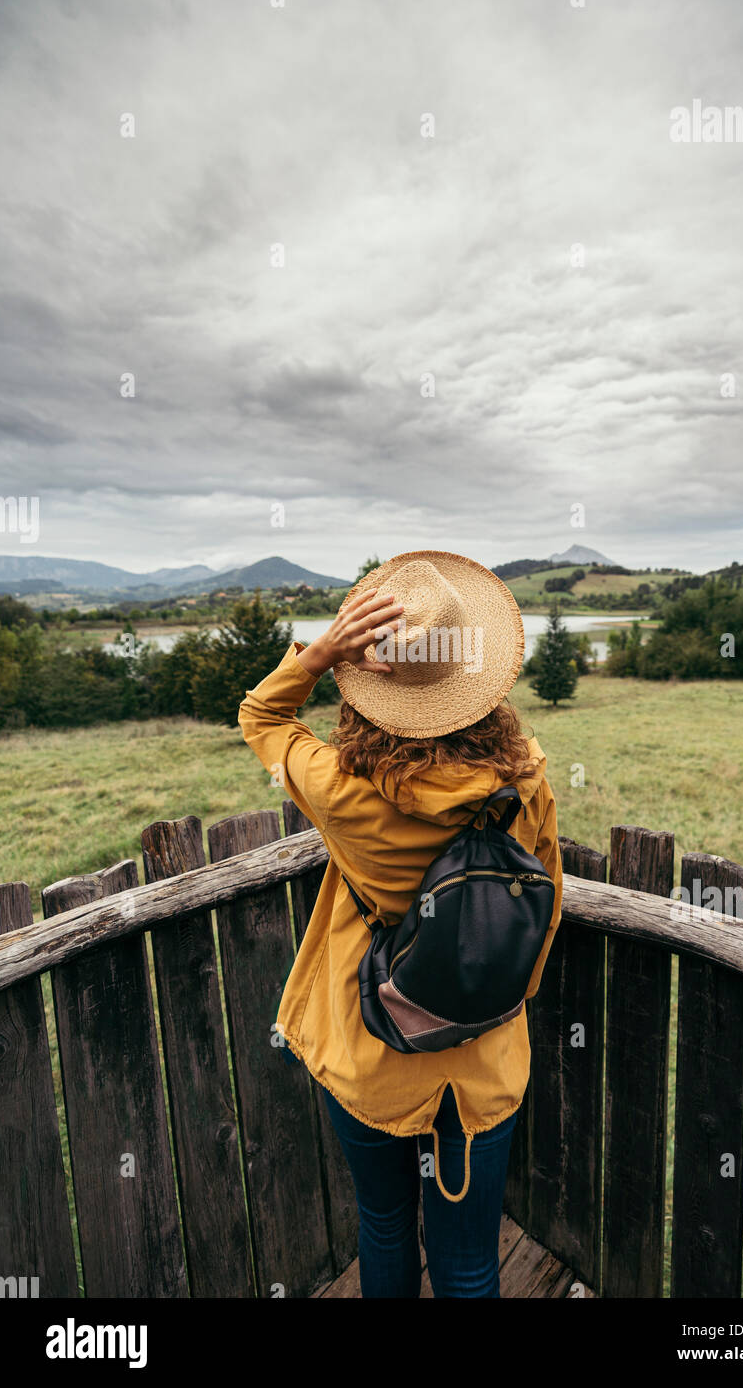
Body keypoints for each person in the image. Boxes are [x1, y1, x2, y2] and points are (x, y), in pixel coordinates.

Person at [238, 550, 563, 1298]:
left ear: (369, 690)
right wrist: (502, 1000)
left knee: (383, 1228)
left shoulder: (340, 791)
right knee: (473, 1262)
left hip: (371, 1050)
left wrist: (317, 655)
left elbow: (261, 716)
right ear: (478, 681)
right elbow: (547, 907)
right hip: (484, 1066)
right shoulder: (528, 779)